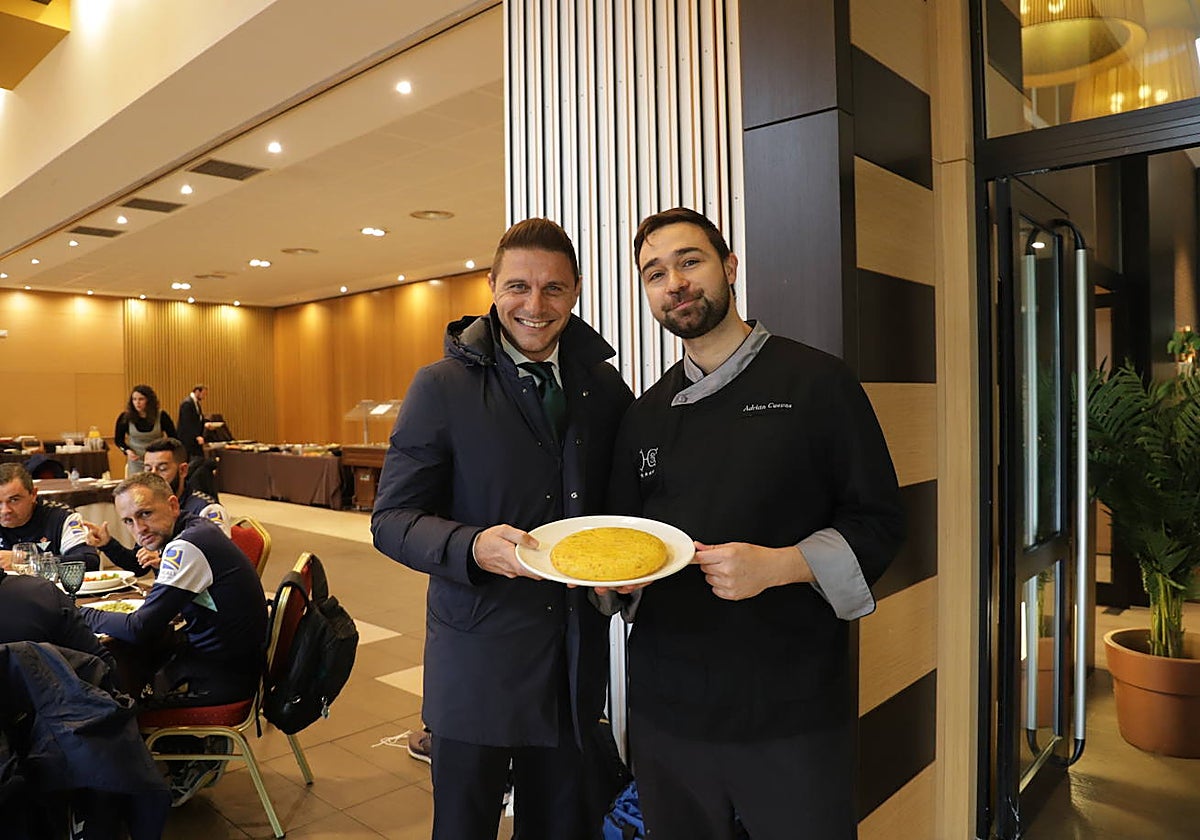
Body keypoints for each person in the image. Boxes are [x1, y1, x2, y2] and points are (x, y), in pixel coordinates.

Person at [606, 208, 906, 840]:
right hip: (670, 709)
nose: (675, 284)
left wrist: (780, 565)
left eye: (690, 261)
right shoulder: (645, 415)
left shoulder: (818, 382)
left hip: (790, 706)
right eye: (655, 273)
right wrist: (616, 584)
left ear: (730, 268)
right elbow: (628, 541)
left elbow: (879, 520)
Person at [371, 218, 633, 840]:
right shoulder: (441, 386)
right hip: (476, 656)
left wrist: (622, 576)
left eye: (554, 289)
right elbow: (391, 520)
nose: (534, 306)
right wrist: (471, 545)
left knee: (559, 826)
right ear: (491, 286)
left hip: (572, 659)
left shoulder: (604, 386)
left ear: (575, 292)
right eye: (518, 286)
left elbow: (616, 508)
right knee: (464, 825)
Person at [84, 437, 230, 577]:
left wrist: (166, 561)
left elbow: (218, 565)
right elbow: (138, 566)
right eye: (148, 469)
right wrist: (108, 544)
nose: (153, 475)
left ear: (183, 470)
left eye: (162, 468)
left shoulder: (207, 509)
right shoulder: (146, 509)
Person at [0, 463, 101, 571]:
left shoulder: (62, 517)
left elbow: (90, 562)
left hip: (50, 587)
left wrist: (27, 560)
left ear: (33, 495)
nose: (5, 510)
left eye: (14, 500)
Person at [115, 384, 177, 478]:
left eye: (141, 399)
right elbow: (118, 440)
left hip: (157, 462)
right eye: (134, 399)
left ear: (149, 400)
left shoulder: (161, 416)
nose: (137, 403)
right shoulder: (125, 417)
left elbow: (173, 438)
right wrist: (127, 451)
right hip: (136, 461)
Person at [176, 384, 208, 461]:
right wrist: (197, 436)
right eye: (203, 394)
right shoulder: (187, 403)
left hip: (193, 438)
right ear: (197, 391)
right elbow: (187, 423)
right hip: (188, 439)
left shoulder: (195, 403)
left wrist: (206, 423)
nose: (204, 397)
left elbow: (197, 418)